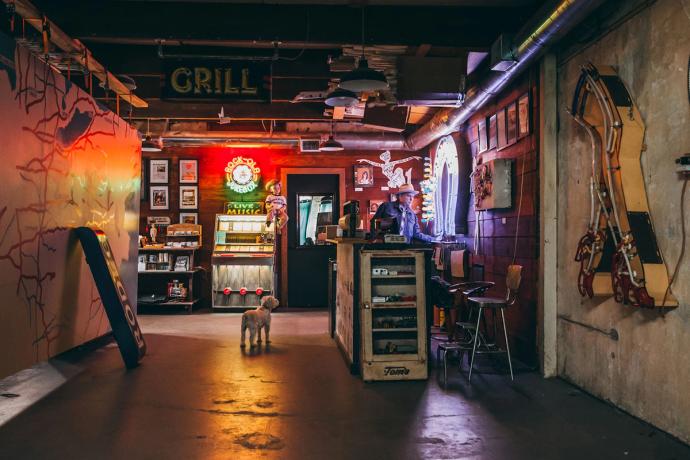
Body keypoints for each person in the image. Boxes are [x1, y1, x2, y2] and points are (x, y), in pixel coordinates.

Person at [370, 183, 436, 243]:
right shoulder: (386, 206)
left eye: (412, 196)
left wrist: (433, 239)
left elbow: (417, 234)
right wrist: (374, 239)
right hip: (387, 247)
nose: (411, 199)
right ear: (400, 196)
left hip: (405, 250)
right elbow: (374, 222)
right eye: (408, 196)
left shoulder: (412, 215)